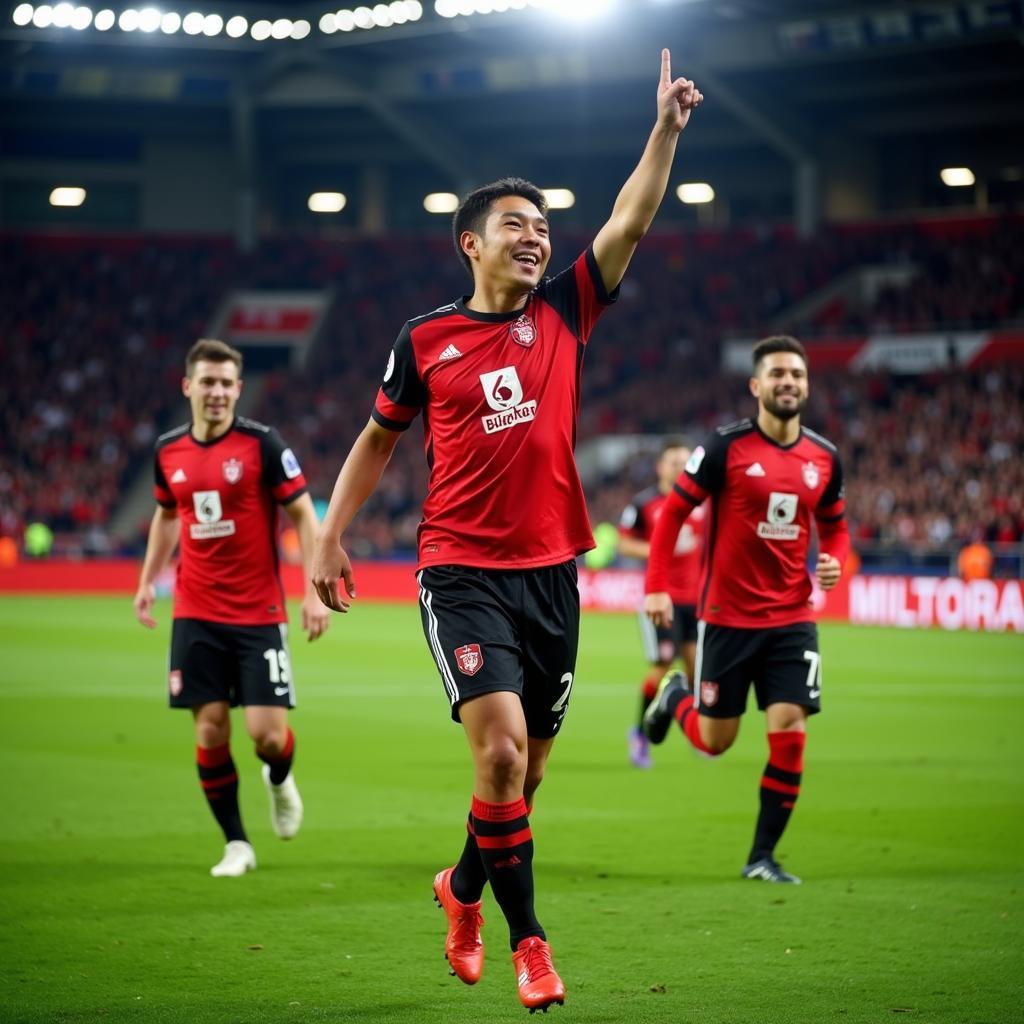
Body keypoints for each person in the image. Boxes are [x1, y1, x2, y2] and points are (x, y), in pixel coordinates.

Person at [311, 50, 702, 1013]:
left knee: (520, 785)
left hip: (551, 578)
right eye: (516, 227)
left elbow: (632, 220)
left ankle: (461, 887)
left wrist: (664, 131)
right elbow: (375, 441)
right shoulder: (425, 340)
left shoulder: (569, 309)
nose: (536, 240)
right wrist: (327, 535)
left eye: (541, 227)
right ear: (469, 245)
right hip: (458, 571)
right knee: (497, 758)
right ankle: (530, 941)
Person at [642, 335, 849, 884]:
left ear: (806, 385)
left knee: (791, 728)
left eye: (797, 375)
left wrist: (834, 561)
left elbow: (836, 528)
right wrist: (658, 585)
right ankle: (674, 695)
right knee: (717, 741)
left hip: (792, 620)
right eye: (778, 374)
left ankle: (762, 857)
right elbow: (670, 516)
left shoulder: (824, 458)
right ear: (757, 386)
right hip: (727, 619)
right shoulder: (724, 447)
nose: (789, 383)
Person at [133, 338, 329, 877]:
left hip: (259, 613)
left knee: (267, 736)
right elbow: (167, 516)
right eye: (207, 381)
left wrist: (313, 591)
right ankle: (237, 843)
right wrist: (149, 580)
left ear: (238, 390)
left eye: (226, 383)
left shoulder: (264, 445)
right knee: (210, 729)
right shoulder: (168, 451)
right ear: (188, 386)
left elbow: (306, 518)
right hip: (195, 612)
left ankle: (279, 777)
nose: (216, 391)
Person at [618, 439, 706, 769]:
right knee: (662, 666)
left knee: (696, 667)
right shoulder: (645, 504)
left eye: (685, 462)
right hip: (661, 600)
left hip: (695, 600)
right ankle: (639, 734)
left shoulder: (703, 501)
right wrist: (659, 548)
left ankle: (697, 731)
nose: (680, 467)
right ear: (660, 467)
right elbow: (625, 544)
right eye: (673, 462)